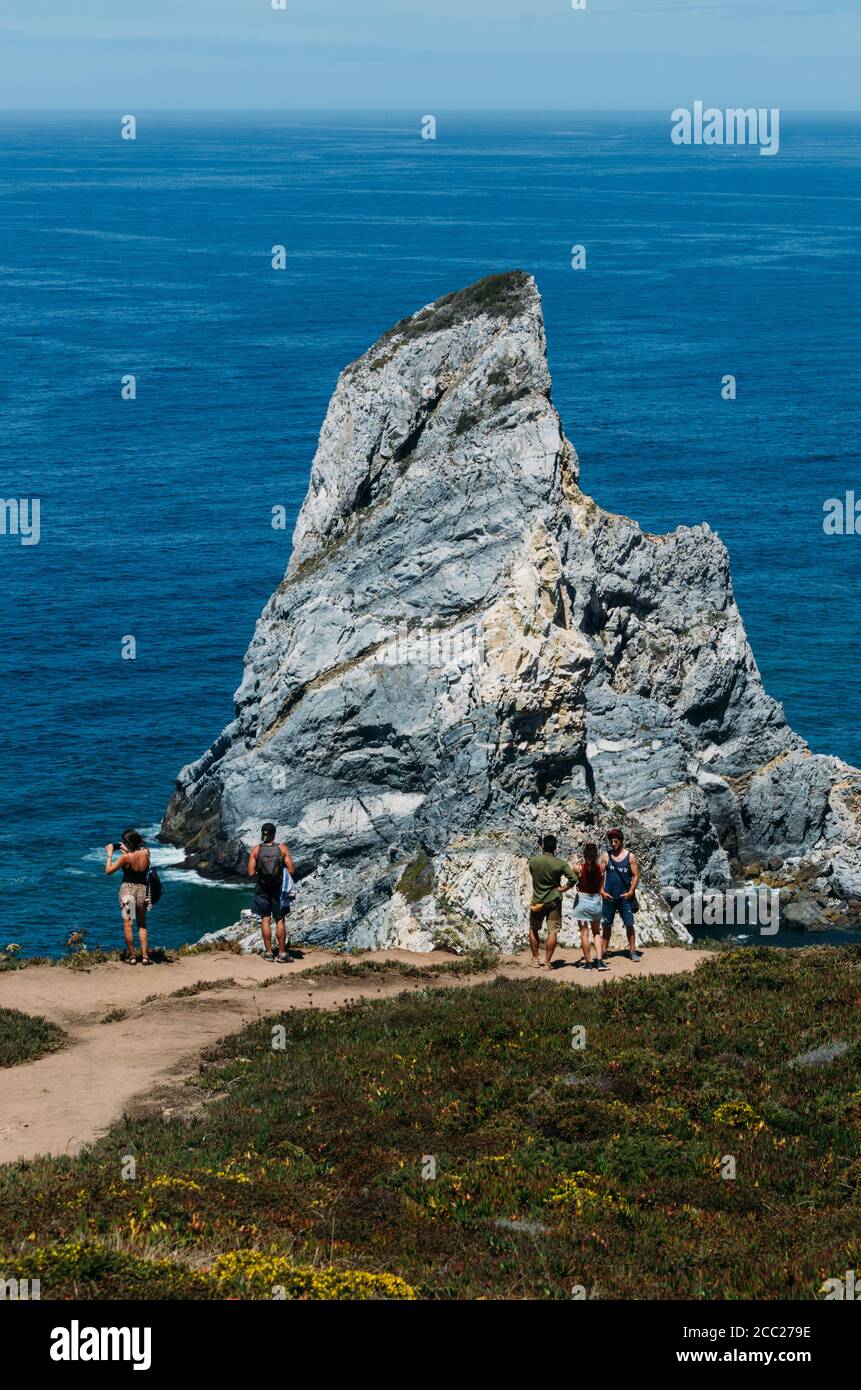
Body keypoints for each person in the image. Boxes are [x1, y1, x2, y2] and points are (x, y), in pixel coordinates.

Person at [247, 822, 296, 964]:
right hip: (278, 889)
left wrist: (260, 871)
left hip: (262, 889)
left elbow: (250, 873)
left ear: (262, 834)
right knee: (280, 919)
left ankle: (268, 953)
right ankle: (282, 954)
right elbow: (292, 870)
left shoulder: (256, 850)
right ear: (274, 834)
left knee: (265, 919)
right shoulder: (282, 848)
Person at [526, 833, 576, 968]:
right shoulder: (560, 863)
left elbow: (533, 874)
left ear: (543, 846)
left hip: (538, 900)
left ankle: (535, 959)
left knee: (533, 928)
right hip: (554, 900)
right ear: (555, 848)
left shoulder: (533, 861)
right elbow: (573, 879)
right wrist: (563, 889)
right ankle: (547, 962)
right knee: (552, 931)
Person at [105, 829, 152, 965]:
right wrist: (127, 849)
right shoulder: (146, 852)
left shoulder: (125, 858)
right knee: (142, 924)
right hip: (142, 891)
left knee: (128, 924)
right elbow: (138, 854)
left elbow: (108, 871)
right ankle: (145, 957)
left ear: (128, 843)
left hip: (128, 892)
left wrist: (109, 855)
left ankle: (132, 957)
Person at [599, 829, 642, 961]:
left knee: (629, 924)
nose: (613, 844)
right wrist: (601, 891)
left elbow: (636, 876)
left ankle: (632, 951)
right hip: (609, 897)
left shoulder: (630, 856)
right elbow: (600, 875)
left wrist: (631, 892)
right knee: (606, 925)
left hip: (625, 898)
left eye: (616, 841)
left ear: (622, 842)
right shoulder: (606, 856)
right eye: (611, 842)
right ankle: (604, 951)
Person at [573, 842, 609, 971]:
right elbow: (601, 889)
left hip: (582, 900)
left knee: (584, 933)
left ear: (585, 855)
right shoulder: (601, 869)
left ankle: (588, 964)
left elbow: (574, 871)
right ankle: (599, 962)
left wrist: (575, 861)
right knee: (596, 932)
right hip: (595, 900)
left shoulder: (579, 868)